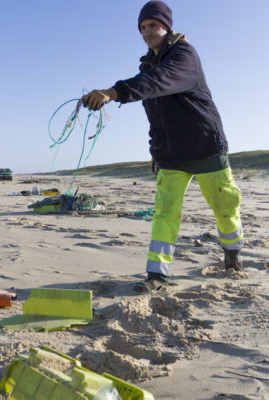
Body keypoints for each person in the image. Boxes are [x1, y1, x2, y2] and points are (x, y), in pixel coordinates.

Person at [82, 0, 243, 293]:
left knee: (225, 207)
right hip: (171, 156)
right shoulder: (146, 65)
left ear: (166, 26)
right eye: (142, 28)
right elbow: (156, 116)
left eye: (152, 25)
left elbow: (158, 81)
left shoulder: (185, 56)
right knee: (164, 214)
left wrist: (114, 91)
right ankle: (157, 276)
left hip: (205, 146)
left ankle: (232, 255)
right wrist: (155, 151)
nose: (147, 32)